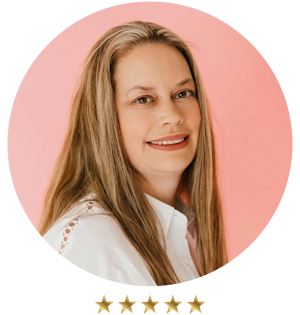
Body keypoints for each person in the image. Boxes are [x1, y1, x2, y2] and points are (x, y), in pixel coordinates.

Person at [39, 20, 228, 287]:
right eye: (143, 99)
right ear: (105, 120)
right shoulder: (92, 242)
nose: (172, 116)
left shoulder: (190, 231)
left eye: (183, 93)